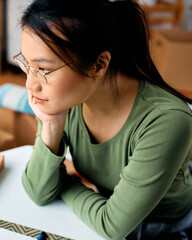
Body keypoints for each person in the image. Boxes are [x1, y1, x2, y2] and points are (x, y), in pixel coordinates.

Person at [15, 0, 192, 239]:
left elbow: (112, 226)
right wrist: (51, 124)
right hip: (100, 210)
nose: (30, 84)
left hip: (167, 228)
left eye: (43, 69)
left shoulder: (166, 121)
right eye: (28, 64)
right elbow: (38, 191)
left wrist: (63, 183)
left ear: (99, 65)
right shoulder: (64, 102)